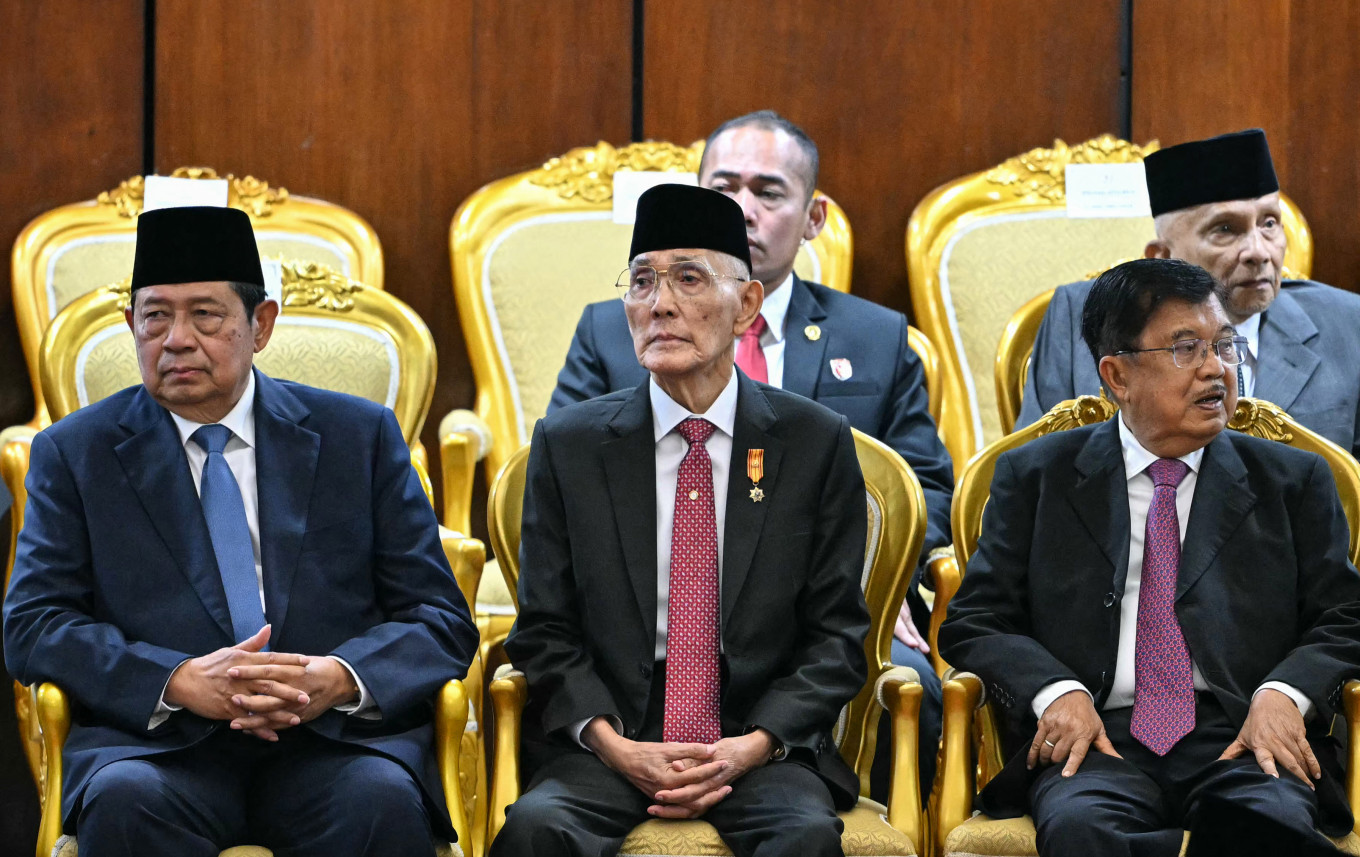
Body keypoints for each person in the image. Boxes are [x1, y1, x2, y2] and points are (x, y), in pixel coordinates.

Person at [3, 206, 479, 857]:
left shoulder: (357, 437)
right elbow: (33, 623)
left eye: (206, 314)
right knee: (123, 801)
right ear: (130, 326)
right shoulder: (75, 452)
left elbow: (440, 618)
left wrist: (338, 676)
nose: (176, 339)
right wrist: (174, 681)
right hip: (160, 751)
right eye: (155, 316)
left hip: (331, 746)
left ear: (261, 325)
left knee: (382, 801)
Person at [550, 110, 950, 796]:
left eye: (768, 192)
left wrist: (874, 581)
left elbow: (926, 488)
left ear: (814, 215)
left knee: (914, 685)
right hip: (644, 621)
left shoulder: (877, 337)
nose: (741, 208)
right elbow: (559, 489)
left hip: (825, 603)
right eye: (724, 187)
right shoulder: (616, 331)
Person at [491, 184, 870, 857]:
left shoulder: (811, 442)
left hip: (757, 742)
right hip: (613, 740)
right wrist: (617, 746)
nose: (660, 303)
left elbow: (836, 636)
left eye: (688, 279)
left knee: (806, 835)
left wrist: (751, 745)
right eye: (642, 281)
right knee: (536, 828)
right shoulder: (572, 444)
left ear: (747, 304)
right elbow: (545, 629)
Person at [941, 257, 1360, 856]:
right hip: (1097, 741)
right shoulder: (1039, 478)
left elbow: (1345, 615)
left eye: (1223, 345)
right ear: (1117, 375)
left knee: (1266, 828)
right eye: (1186, 349)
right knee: (1083, 832)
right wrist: (1055, 691)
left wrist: (1283, 695)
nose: (1216, 369)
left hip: (1243, 735)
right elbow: (976, 620)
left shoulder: (1291, 480)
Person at [1018, 129, 1360, 459]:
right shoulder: (1077, 315)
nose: (1259, 251)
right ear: (1163, 258)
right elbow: (1032, 474)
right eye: (1226, 229)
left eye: (1269, 223)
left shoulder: (1347, 323)